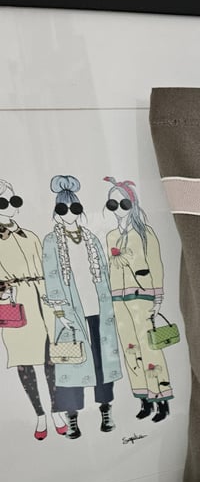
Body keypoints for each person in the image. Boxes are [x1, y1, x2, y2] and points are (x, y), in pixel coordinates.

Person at [42, 175, 122, 439]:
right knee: (71, 363)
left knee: (102, 362)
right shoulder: (51, 242)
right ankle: (72, 417)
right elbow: (52, 278)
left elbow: (105, 275)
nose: (69, 214)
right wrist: (60, 313)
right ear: (56, 211)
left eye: (74, 208)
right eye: (62, 208)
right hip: (71, 314)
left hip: (97, 310)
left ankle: (106, 410)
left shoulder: (91, 238)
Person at [0, 178, 66, 440]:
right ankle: (39, 415)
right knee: (24, 361)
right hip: (15, 304)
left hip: (43, 301)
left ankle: (57, 410)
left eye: (14, 200)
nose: (11, 206)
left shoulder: (31, 236)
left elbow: (49, 269)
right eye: (4, 202)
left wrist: (55, 298)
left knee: (51, 359)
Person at [103, 176, 173, 422]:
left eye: (123, 204)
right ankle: (144, 400)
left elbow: (156, 264)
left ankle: (161, 400)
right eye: (113, 205)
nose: (118, 209)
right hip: (118, 300)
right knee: (130, 348)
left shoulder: (144, 233)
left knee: (150, 348)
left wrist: (158, 296)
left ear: (132, 205)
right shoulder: (111, 236)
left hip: (142, 297)